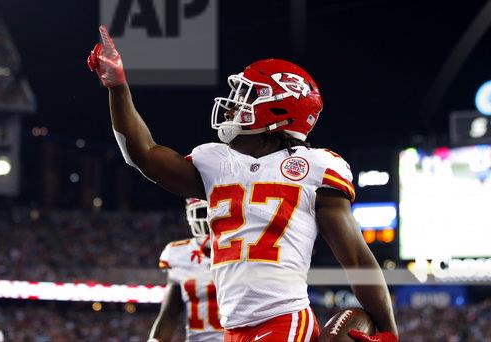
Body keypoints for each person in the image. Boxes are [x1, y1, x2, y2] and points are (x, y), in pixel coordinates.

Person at [88, 25, 398, 342]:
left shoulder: (315, 167)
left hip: (284, 318)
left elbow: (357, 259)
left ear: (278, 107)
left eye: (247, 96)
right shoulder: (216, 162)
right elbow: (144, 154)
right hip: (233, 328)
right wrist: (118, 86)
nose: (235, 105)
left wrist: (390, 331)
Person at [148, 199, 223, 342]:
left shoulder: (246, 250)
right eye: (202, 213)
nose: (208, 219)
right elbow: (170, 313)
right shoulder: (179, 254)